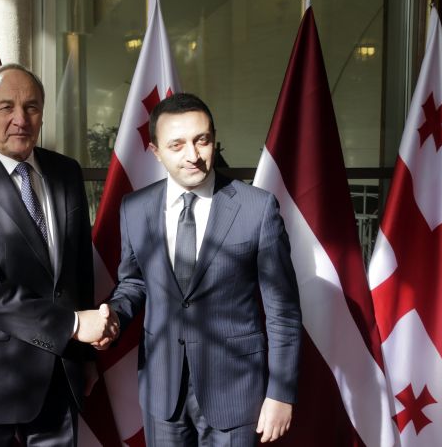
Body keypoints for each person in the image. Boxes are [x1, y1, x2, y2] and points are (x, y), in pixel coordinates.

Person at [96, 92, 302, 446]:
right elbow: (135, 282)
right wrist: (114, 316)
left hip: (235, 390)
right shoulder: (135, 208)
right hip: (163, 391)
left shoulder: (257, 208)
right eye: (177, 145)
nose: (192, 155)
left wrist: (281, 393)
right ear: (155, 151)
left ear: (213, 139)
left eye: (201, 140)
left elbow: (282, 310)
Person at [0, 63, 114, 447]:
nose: (20, 119)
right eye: (6, 107)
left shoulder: (65, 173)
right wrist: (74, 326)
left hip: (59, 373)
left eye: (31, 107)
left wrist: (83, 356)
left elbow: (77, 271)